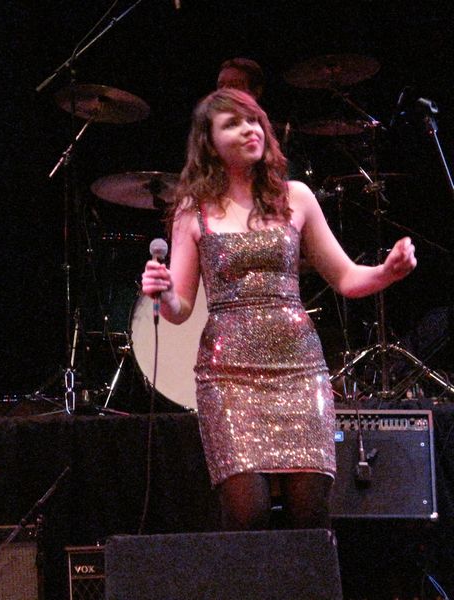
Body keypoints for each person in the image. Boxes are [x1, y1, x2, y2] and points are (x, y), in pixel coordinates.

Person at [141, 89, 416, 531]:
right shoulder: (194, 212)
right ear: (209, 142)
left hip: (299, 369)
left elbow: (347, 278)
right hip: (230, 376)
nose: (249, 130)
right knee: (246, 512)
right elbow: (180, 309)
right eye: (232, 124)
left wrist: (387, 271)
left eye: (254, 120)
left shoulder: (296, 197)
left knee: (309, 511)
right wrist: (165, 293)